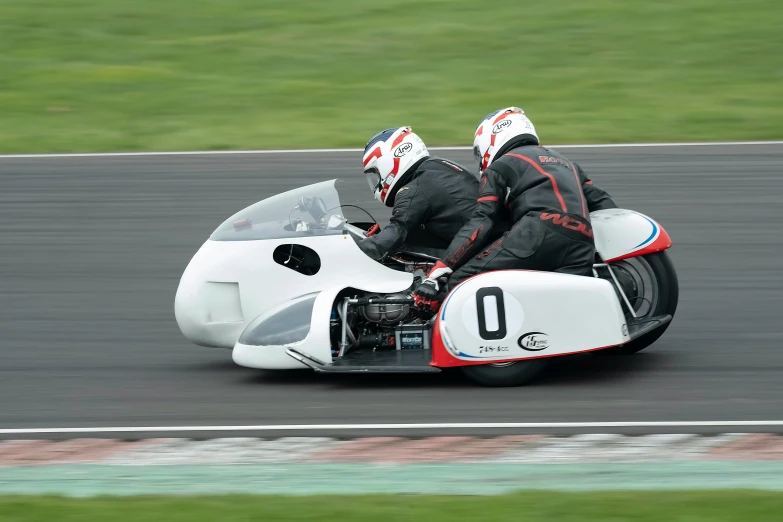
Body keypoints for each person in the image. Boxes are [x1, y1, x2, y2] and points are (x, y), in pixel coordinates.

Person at [412, 107, 618, 311]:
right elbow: (603, 203)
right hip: (582, 241)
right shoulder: (569, 164)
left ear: (492, 139)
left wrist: (442, 269)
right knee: (559, 308)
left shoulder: (500, 166)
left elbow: (481, 221)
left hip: (536, 234)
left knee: (460, 284)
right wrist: (605, 254)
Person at [357, 126, 482, 261]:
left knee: (399, 252)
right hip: (483, 239)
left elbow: (395, 234)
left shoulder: (414, 189)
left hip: (476, 254)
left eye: (376, 173)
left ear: (387, 163)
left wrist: (352, 252)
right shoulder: (437, 166)